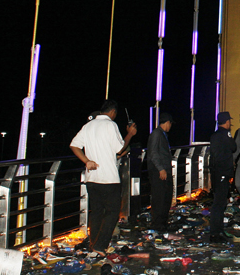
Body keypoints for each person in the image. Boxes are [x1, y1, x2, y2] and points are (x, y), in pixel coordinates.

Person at [69, 99, 136, 256]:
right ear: (113, 112)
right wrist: (130, 134)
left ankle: (94, 245)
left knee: (97, 211)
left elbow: (74, 145)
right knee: (112, 212)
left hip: (92, 178)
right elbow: (120, 147)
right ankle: (100, 245)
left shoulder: (88, 126)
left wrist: (87, 161)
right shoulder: (110, 125)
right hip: (109, 178)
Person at [208, 112, 236, 243]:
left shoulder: (214, 136)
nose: (230, 123)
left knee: (219, 202)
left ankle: (218, 231)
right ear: (226, 122)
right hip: (222, 172)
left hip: (216, 173)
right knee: (219, 203)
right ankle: (215, 233)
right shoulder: (225, 134)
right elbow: (233, 147)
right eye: (229, 121)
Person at [146, 112, 175, 232]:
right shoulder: (156, 134)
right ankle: (157, 224)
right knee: (159, 198)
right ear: (167, 123)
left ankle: (162, 223)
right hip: (159, 172)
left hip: (164, 170)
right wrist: (161, 169)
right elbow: (153, 153)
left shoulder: (161, 134)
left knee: (166, 197)